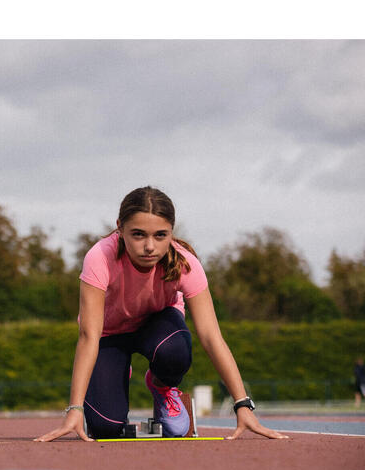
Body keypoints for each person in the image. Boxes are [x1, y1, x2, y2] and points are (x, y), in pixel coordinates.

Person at [35, 186, 288, 442]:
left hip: (156, 329)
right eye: (138, 234)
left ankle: (161, 384)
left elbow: (211, 336)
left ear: (171, 233)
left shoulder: (185, 264)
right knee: (105, 427)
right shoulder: (99, 257)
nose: (149, 246)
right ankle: (118, 370)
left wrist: (242, 406)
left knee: (175, 349)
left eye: (160, 235)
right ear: (120, 229)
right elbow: (89, 336)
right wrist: (74, 410)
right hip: (109, 335)